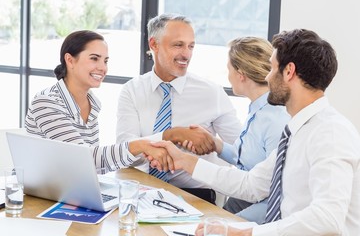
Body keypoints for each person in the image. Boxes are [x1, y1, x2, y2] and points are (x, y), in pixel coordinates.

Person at [153, 29, 360, 235]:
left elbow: (327, 218)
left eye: (272, 68)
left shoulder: (330, 133)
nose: (267, 77)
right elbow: (251, 185)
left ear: (289, 71)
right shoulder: (296, 131)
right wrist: (184, 161)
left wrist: (247, 233)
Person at [116, 13, 241, 204]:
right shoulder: (132, 91)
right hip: (143, 191)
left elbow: (242, 154)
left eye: (191, 46)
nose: (186, 54)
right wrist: (171, 135)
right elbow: (124, 152)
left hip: (196, 196)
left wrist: (214, 144)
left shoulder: (211, 92)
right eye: (178, 45)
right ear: (154, 45)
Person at [25, 30, 173, 173]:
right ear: (70, 60)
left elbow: (95, 166)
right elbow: (83, 159)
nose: (103, 68)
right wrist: (140, 145)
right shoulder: (46, 102)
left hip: (72, 189)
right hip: (37, 194)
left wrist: (142, 153)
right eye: (94, 58)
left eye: (105, 61)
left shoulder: (93, 104)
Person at [215, 37, 290, 224]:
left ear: (241, 74)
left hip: (262, 215)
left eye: (228, 69)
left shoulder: (275, 119)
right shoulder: (258, 110)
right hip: (243, 201)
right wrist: (216, 146)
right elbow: (252, 162)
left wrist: (230, 226)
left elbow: (277, 196)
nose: (228, 76)